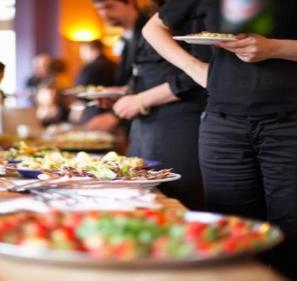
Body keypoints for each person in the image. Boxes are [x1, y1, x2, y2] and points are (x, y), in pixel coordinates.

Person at [143, 0, 297, 280]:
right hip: (222, 127)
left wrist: (275, 48)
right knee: (229, 237)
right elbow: (153, 28)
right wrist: (195, 68)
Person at [109, 0, 209, 209]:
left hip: (179, 124)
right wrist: (125, 94)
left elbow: (199, 76)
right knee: (142, 200)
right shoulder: (153, 16)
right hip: (145, 127)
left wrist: (141, 99)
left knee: (177, 200)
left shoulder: (195, 10)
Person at [85, 0, 149, 132]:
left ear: (130, 3)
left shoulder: (148, 31)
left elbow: (152, 79)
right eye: (99, 9)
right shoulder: (125, 39)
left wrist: (114, 116)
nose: (104, 14)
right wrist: (118, 94)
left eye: (109, 6)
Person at [75, 39, 117, 124]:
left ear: (89, 49)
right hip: (113, 112)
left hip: (93, 113)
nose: (81, 55)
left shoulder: (89, 67)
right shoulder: (114, 64)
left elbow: (80, 91)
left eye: (82, 51)